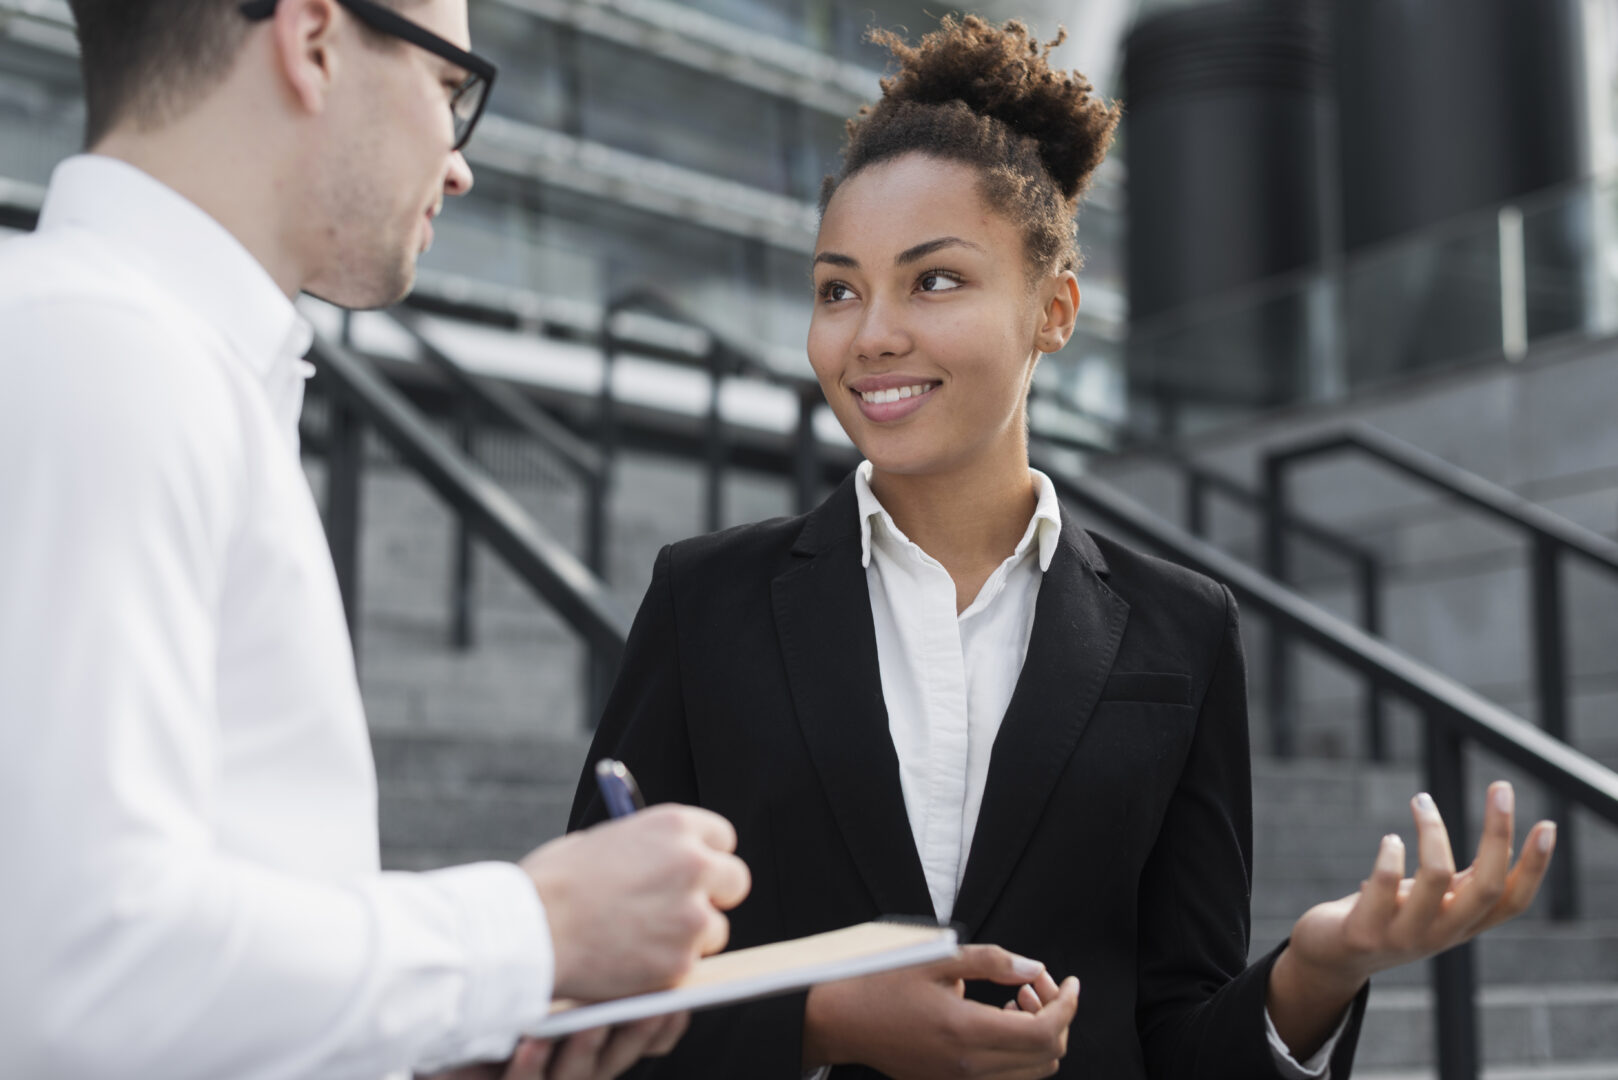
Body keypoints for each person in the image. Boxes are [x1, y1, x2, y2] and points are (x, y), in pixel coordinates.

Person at [569, 16, 1560, 1079]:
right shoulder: (706, 601)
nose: (871, 335)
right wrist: (817, 1026)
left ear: (1054, 310)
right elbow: (580, 991)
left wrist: (1319, 970)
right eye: (837, 289)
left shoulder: (1183, 632)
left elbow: (1178, 1039)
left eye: (933, 280)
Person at [0, 2, 752, 1078]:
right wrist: (534, 932)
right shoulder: (101, 355)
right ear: (314, 41)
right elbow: (73, 969)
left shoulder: (151, 361)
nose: (461, 166)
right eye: (450, 88)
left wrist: (422, 1032)